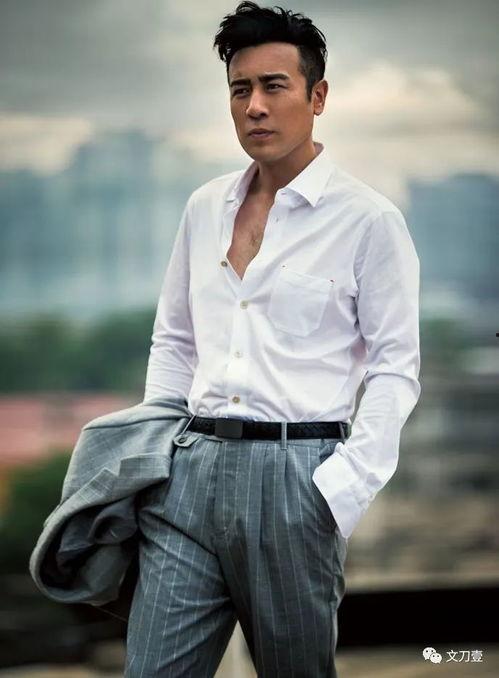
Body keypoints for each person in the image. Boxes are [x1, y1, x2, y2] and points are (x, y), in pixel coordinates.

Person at [125, 2, 421, 676]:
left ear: (317, 97)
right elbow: (174, 340)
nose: (254, 106)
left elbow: (395, 367)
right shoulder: (205, 207)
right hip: (188, 472)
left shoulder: (368, 220)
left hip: (297, 477)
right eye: (240, 89)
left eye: (273, 86)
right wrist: (155, 451)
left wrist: (339, 488)